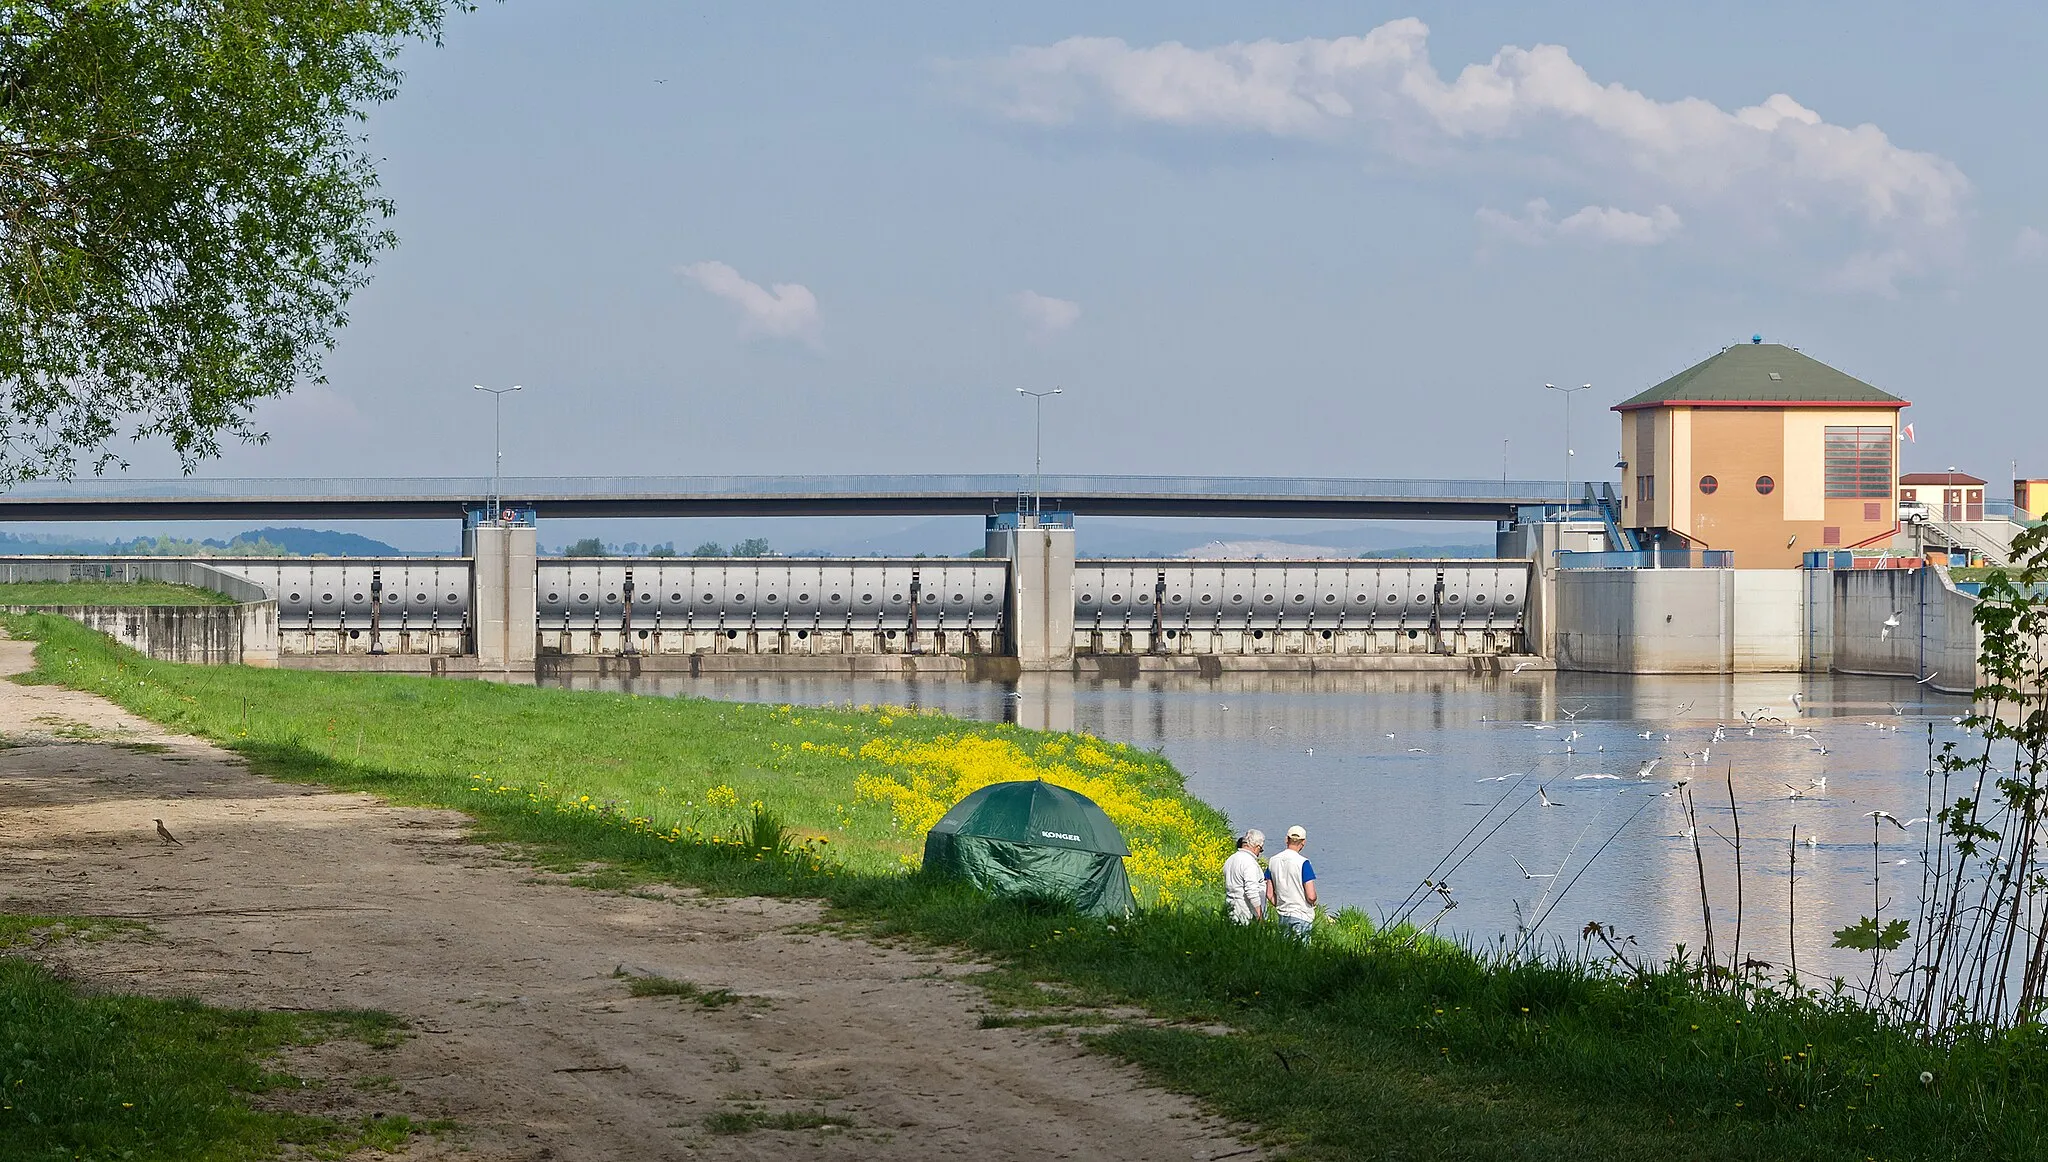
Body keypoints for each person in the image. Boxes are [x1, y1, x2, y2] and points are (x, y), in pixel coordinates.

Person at [1265, 825, 1317, 940]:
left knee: (1285, 951)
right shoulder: (1304, 863)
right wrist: (1312, 903)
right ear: (1303, 842)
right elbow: (1311, 896)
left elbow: (1269, 893)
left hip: (1283, 914)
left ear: (1286, 839)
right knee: (1301, 954)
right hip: (1301, 914)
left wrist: (1279, 904)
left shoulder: (1273, 861)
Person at [1222, 829, 1266, 923]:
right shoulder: (1249, 863)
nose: (1259, 853)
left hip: (1231, 907)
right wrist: (1259, 916)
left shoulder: (1231, 859)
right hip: (1245, 913)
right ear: (1257, 847)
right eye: (1260, 850)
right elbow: (1251, 891)